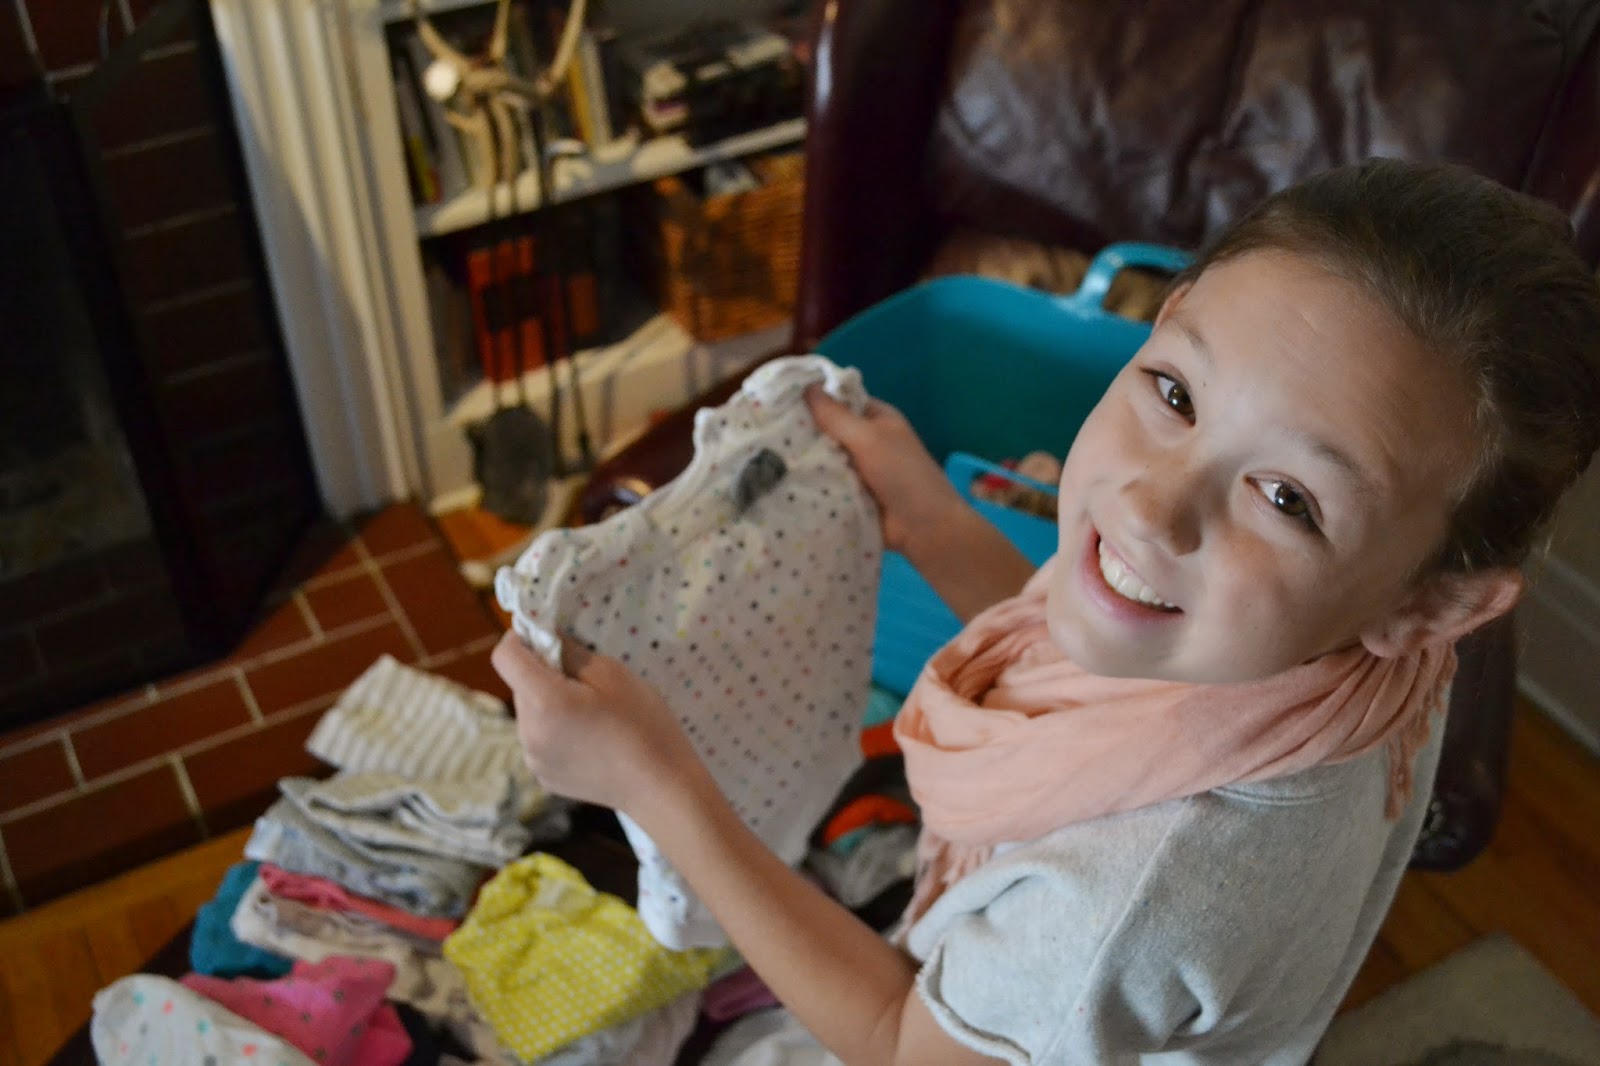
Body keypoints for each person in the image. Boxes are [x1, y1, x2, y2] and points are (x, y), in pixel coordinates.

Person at [490, 159, 1600, 1064]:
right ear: (1162, 324)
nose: (1150, 505)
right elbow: (1106, 669)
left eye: (1287, 499)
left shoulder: (1133, 895)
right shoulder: (1361, 660)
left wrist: (657, 783)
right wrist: (931, 518)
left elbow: (903, 1045)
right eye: (1175, 392)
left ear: (1436, 606)